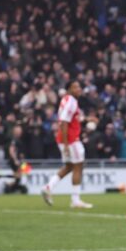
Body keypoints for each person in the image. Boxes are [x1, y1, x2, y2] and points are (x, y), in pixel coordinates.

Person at [41, 80, 92, 208]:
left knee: (69, 167)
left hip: (65, 139)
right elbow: (63, 122)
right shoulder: (71, 102)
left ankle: (48, 187)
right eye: (76, 87)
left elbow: (72, 119)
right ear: (69, 89)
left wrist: (87, 119)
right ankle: (75, 200)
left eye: (79, 86)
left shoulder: (67, 100)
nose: (79, 89)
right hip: (70, 140)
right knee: (78, 166)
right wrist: (66, 145)